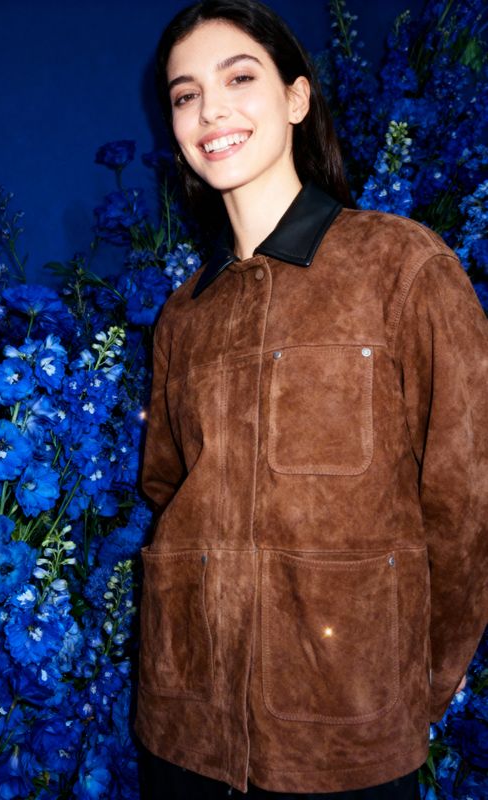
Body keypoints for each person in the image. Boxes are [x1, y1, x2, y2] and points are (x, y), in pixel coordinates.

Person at [134, 1, 488, 798]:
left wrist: (412, 689)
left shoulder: (401, 266)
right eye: (185, 94)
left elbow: (469, 500)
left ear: (296, 100)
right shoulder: (183, 312)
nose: (210, 109)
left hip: (344, 739)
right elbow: (166, 488)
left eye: (239, 77)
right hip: (182, 728)